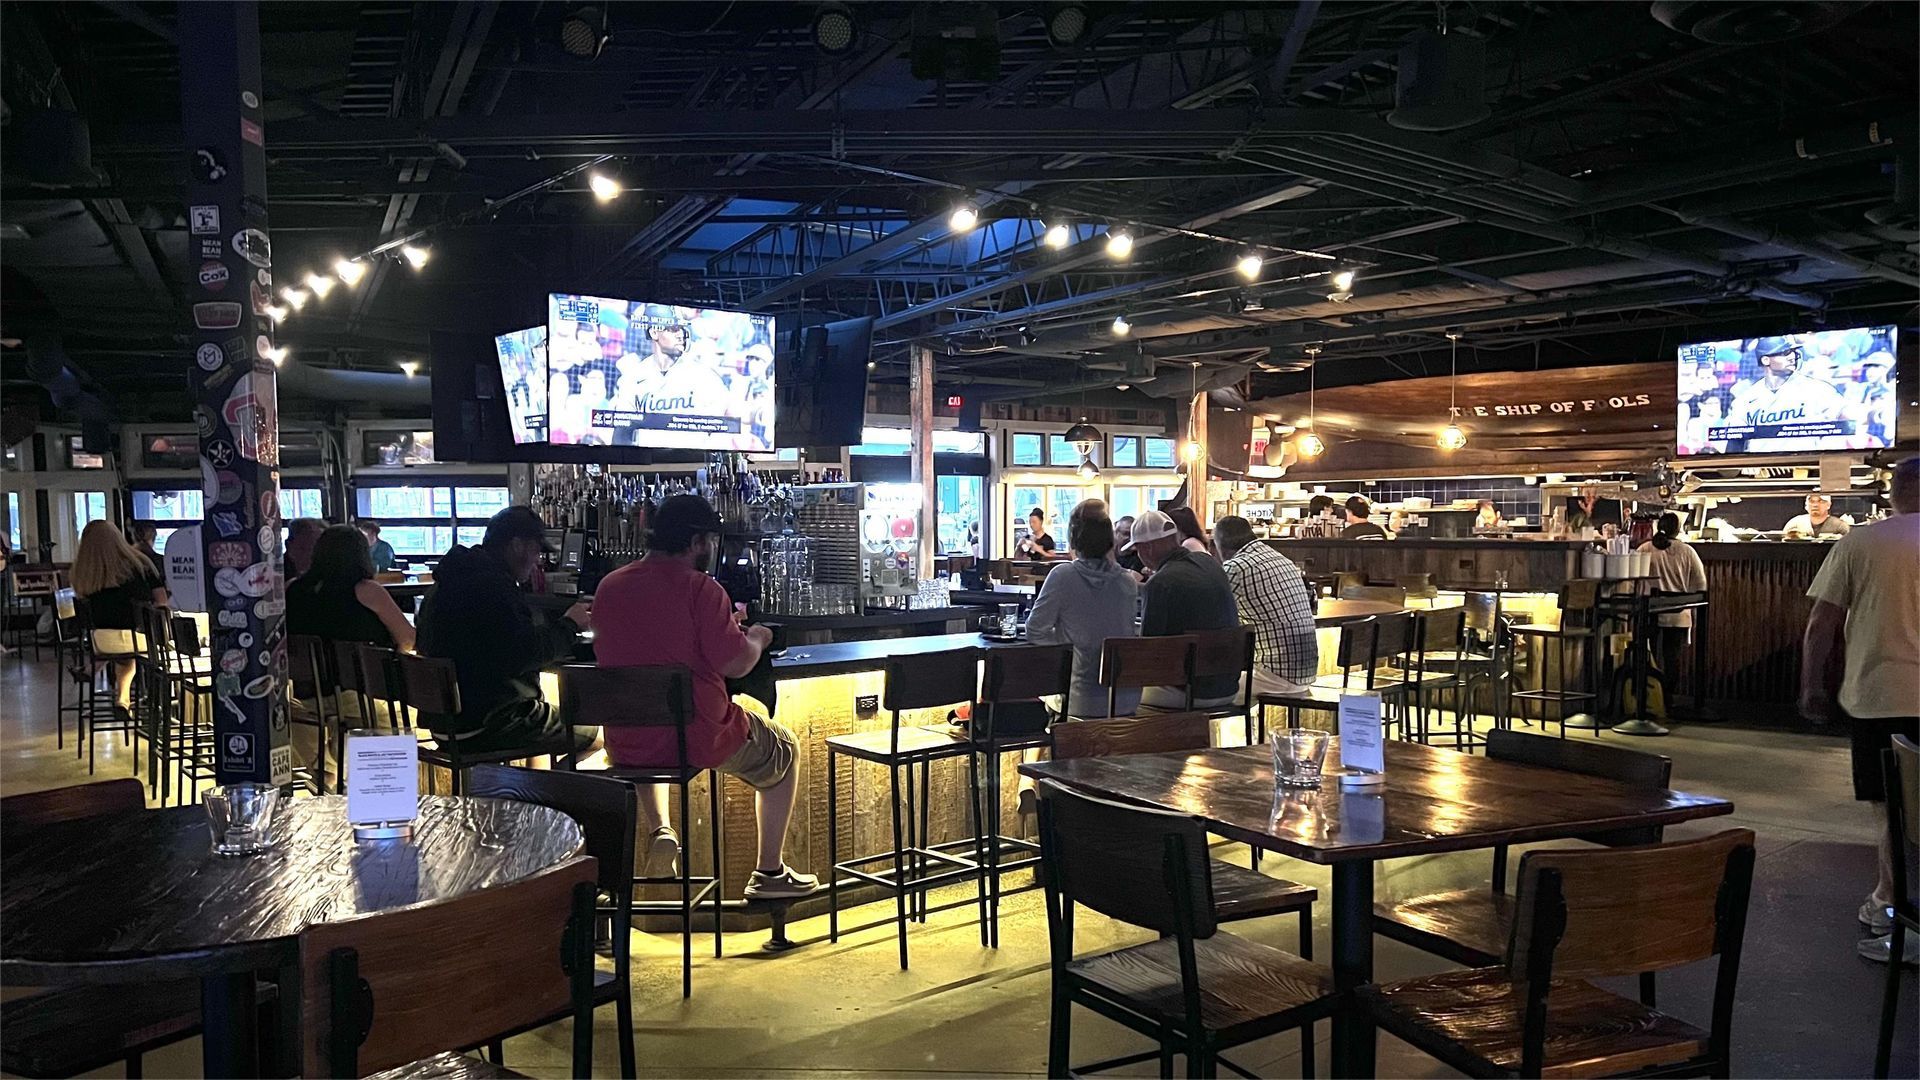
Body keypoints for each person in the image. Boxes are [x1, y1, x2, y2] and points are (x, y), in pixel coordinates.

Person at [593, 494, 818, 900]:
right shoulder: (702, 590)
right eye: (710, 541)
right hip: (698, 738)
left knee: (653, 739)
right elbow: (735, 664)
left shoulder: (609, 587)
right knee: (785, 750)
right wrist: (757, 637)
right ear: (697, 541)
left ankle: (661, 828)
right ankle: (769, 874)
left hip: (626, 742)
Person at [1800, 457, 1919, 965]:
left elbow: (1821, 624)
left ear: (1894, 493)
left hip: (1881, 695)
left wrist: (1811, 688)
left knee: (1893, 810)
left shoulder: (1861, 542)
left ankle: (1896, 908)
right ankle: (1889, 903)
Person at [415, 507, 596, 755]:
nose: (537, 562)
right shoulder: (494, 588)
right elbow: (523, 654)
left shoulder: (445, 583)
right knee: (592, 731)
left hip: (443, 724)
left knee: (538, 712)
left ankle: (530, 792)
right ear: (517, 545)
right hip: (489, 722)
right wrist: (570, 625)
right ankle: (548, 791)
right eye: (536, 550)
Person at [1027, 500, 1141, 719]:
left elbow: (1035, 632)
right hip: (1125, 699)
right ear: (1110, 540)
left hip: (1080, 700)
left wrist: (1070, 644)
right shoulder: (1127, 581)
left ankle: (1050, 750)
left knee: (1043, 698)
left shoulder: (1063, 576)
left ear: (1073, 539)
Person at [1124, 509, 1239, 709]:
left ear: (1148, 549)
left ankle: (1146, 739)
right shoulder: (1209, 562)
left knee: (1117, 692)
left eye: (1137, 550)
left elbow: (1150, 654)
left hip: (1189, 692)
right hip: (1229, 687)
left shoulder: (1161, 582)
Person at [70, 520, 167, 719]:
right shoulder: (140, 564)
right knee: (129, 650)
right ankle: (125, 700)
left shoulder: (83, 572)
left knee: (120, 651)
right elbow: (161, 600)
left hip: (101, 640)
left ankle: (102, 679)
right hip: (138, 636)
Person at [1213, 515, 1318, 697]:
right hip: (1306, 674)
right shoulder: (1280, 558)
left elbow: (1210, 614)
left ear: (1220, 545)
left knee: (1202, 690)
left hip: (1275, 677)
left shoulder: (1235, 568)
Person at [287, 525, 416, 655]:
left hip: (306, 673)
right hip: (366, 673)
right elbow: (408, 639)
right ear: (362, 554)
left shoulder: (292, 588)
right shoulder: (368, 591)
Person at [1728, 335, 1853, 453]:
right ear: (1766, 360)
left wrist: (1829, 447)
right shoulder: (1746, 399)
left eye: (1792, 351)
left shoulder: (1817, 388)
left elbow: (1849, 418)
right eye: (1784, 353)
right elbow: (1734, 443)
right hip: (1763, 470)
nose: (1792, 356)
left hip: (1806, 469)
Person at [1636, 513, 1708, 686]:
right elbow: (1701, 586)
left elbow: (1634, 583)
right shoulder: (1687, 552)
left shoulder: (1644, 549)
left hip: (1649, 614)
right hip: (1678, 617)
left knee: (1649, 659)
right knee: (1672, 659)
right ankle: (1668, 699)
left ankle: (1649, 699)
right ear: (1678, 530)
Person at [1783, 493, 1851, 539]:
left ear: (1828, 505)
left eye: (1820, 501)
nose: (1815, 505)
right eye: (1811, 501)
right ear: (1806, 505)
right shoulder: (1794, 524)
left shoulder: (1840, 526)